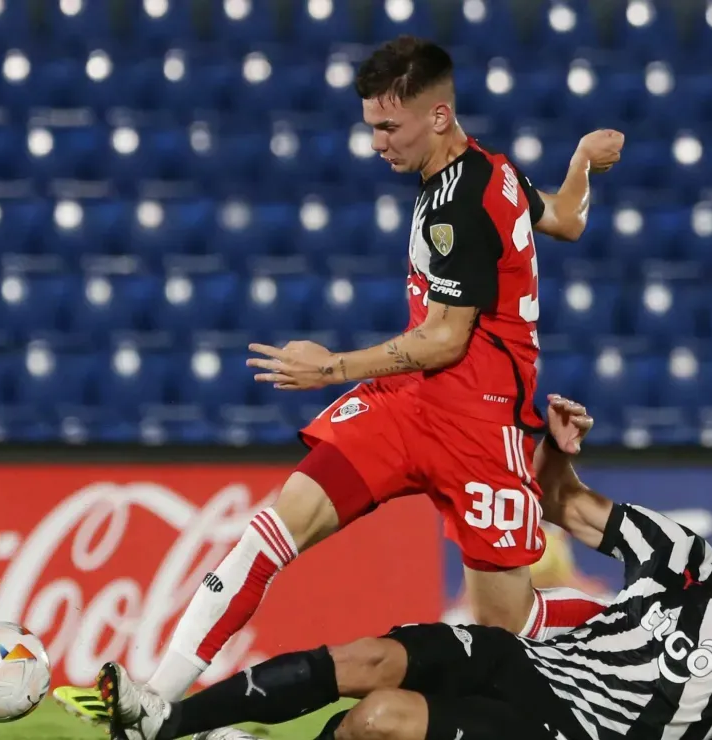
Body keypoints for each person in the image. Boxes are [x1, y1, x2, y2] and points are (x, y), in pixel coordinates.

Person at [54, 35, 625, 722]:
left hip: (479, 423)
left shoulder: (459, 203)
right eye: (371, 127)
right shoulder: (492, 172)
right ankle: (152, 702)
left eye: (389, 126)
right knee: (272, 531)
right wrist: (582, 163)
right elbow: (566, 218)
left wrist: (329, 367)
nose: (378, 142)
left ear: (438, 116)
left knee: (501, 634)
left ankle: (639, 627)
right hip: (408, 405)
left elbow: (444, 340)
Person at [98, 396, 712, 740]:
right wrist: (559, 451)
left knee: (381, 719)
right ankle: (168, 723)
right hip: (527, 660)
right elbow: (569, 505)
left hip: (570, 730)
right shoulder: (680, 550)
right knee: (370, 660)